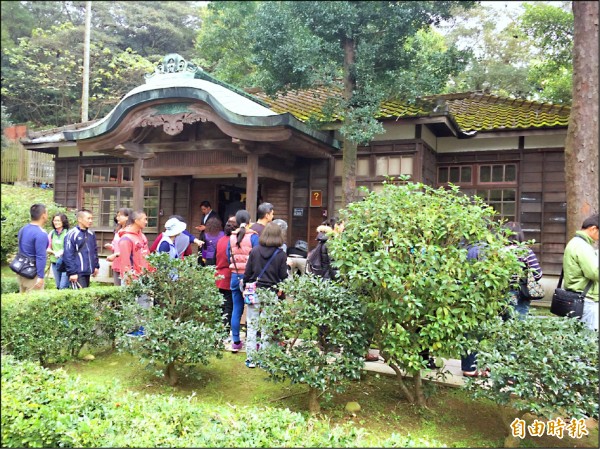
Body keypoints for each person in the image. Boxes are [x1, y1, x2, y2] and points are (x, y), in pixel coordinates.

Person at [243, 222, 289, 368]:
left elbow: (247, 273)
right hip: (271, 293)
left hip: (254, 291)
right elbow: (283, 276)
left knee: (251, 326)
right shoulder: (280, 254)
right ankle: (263, 359)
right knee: (266, 327)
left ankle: (251, 359)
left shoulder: (255, 251)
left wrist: (245, 285)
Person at [227, 209, 260, 353]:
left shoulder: (231, 237)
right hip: (250, 278)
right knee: (253, 310)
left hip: (235, 276)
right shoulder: (253, 237)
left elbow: (229, 254)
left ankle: (235, 341)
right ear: (249, 221)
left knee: (236, 309)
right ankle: (254, 342)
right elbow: (258, 256)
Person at [563, 214, 599, 331]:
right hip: (586, 299)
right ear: (593, 228)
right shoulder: (582, 246)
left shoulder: (575, 242)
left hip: (577, 297)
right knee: (589, 340)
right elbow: (594, 272)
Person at [504, 221, 543, 319]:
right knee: (518, 323)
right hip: (520, 293)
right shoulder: (525, 252)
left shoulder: (497, 251)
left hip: (501, 293)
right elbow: (538, 274)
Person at [16, 204, 49, 293]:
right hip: (33, 275)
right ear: (43, 215)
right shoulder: (41, 233)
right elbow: (41, 256)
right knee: (33, 304)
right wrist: (40, 276)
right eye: (47, 213)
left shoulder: (23, 229)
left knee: (21, 302)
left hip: (21, 269)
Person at [63, 209, 100, 289]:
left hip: (88, 271)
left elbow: (94, 251)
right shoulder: (71, 234)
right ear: (80, 219)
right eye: (88, 218)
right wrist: (72, 272)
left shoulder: (91, 234)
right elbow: (68, 254)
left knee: (86, 296)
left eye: (91, 218)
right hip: (77, 272)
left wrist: (96, 266)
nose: (90, 221)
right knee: (79, 297)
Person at [215, 215, 236, 341]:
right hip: (229, 275)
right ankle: (225, 332)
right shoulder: (233, 241)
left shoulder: (221, 239)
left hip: (219, 275)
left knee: (221, 306)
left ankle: (220, 330)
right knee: (229, 306)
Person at [118, 210, 151, 287]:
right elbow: (125, 261)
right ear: (136, 221)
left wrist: (150, 271)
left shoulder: (142, 236)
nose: (146, 222)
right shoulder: (126, 238)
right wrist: (128, 278)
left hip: (144, 276)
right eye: (144, 219)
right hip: (132, 278)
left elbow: (147, 255)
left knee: (146, 299)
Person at [105, 208, 132, 286]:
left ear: (127, 217)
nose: (117, 218)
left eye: (120, 216)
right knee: (117, 288)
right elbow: (115, 243)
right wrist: (111, 246)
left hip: (126, 264)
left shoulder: (130, 231)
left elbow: (129, 249)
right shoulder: (118, 231)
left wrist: (115, 254)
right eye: (117, 216)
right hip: (116, 262)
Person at [47, 213, 70, 289]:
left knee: (63, 286)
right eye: (55, 220)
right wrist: (54, 252)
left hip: (65, 263)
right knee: (58, 285)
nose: (56, 222)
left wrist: (62, 252)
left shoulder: (68, 233)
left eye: (58, 220)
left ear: (63, 221)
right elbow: (47, 248)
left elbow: (70, 248)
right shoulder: (52, 233)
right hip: (55, 262)